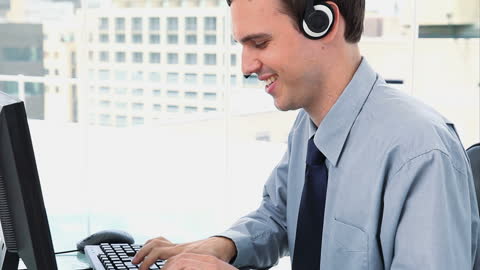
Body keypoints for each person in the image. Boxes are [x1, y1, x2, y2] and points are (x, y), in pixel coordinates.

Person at [132, 0, 480, 269]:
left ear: (322, 23)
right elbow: (278, 215)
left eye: (260, 43)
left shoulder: (419, 153)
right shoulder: (310, 124)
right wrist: (222, 245)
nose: (246, 66)